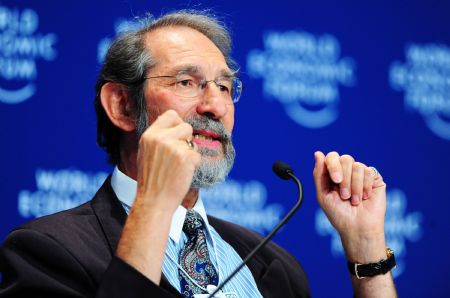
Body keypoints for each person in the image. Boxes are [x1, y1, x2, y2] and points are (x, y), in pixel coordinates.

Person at [0, 10, 396, 298]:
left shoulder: (278, 268)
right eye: (187, 82)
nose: (215, 106)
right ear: (121, 106)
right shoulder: (46, 251)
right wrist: (154, 203)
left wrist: (367, 250)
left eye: (225, 87)